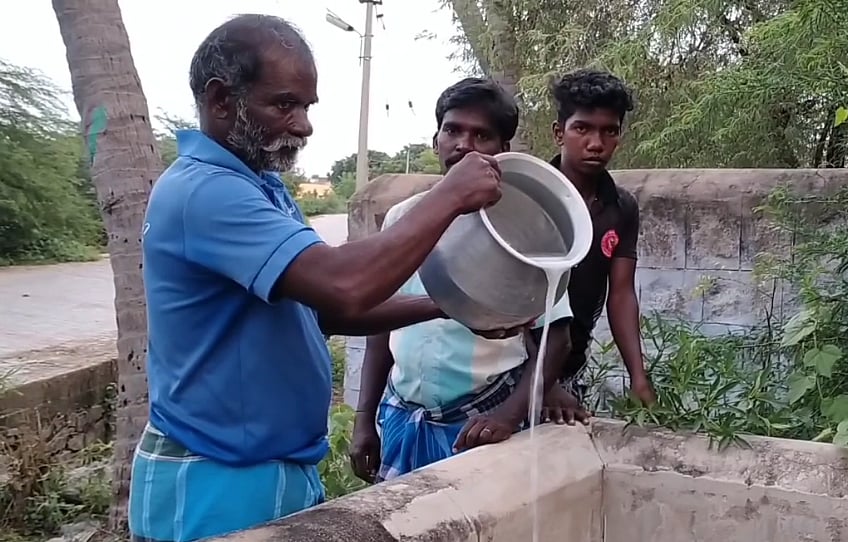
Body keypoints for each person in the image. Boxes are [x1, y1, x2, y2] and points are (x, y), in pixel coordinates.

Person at [131, 16, 512, 542]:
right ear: (221, 100)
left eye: (306, 107)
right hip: (213, 475)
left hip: (272, 467)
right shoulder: (205, 191)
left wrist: (449, 307)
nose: (303, 125)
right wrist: (450, 195)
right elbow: (343, 285)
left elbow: (329, 312)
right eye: (284, 104)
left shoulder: (259, 185)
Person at [348, 78, 574, 484]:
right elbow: (378, 324)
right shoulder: (404, 219)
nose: (464, 144)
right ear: (436, 140)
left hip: (479, 421)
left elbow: (555, 338)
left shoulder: (521, 229)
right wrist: (365, 418)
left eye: (481, 135)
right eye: (453, 130)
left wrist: (508, 415)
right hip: (403, 416)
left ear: (501, 151)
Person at [540, 68, 657, 423]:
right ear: (560, 133)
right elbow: (508, 297)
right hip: (513, 370)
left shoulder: (620, 208)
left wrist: (638, 376)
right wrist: (541, 383)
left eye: (609, 131)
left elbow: (620, 294)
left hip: (571, 370)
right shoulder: (531, 197)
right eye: (583, 128)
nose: (596, 143)